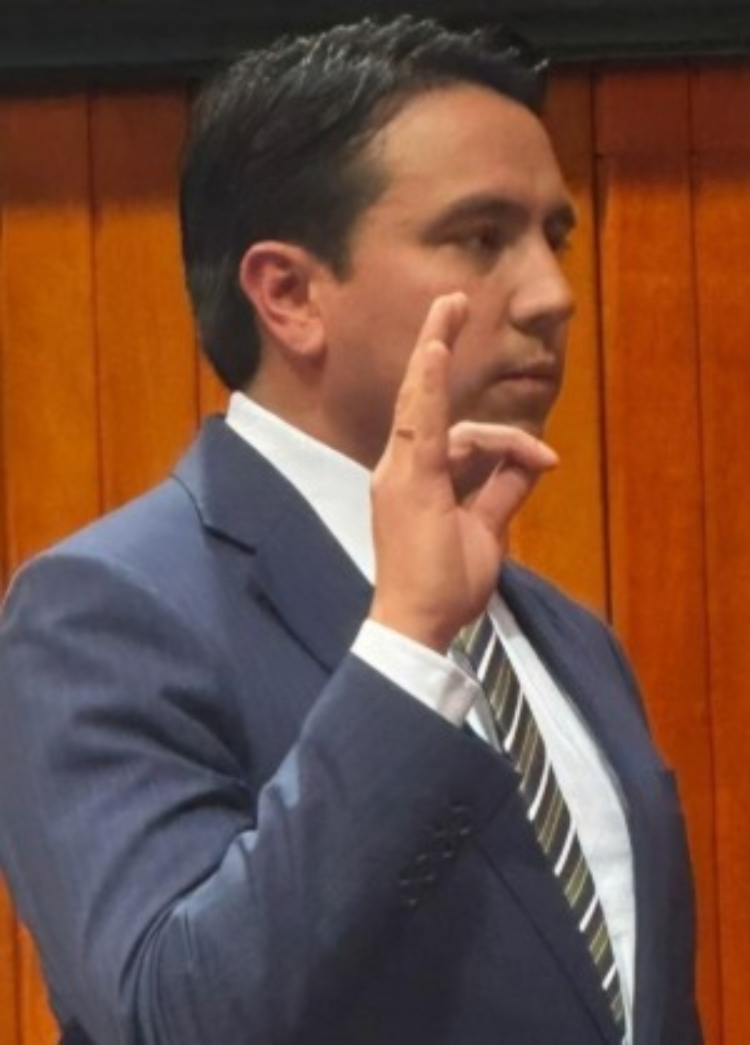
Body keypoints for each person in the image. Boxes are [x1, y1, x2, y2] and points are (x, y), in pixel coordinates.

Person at [0, 16, 701, 1045]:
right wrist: (407, 644)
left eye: (552, 238)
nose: (553, 296)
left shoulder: (568, 637)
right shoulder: (104, 612)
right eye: (480, 237)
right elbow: (169, 1017)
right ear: (289, 294)